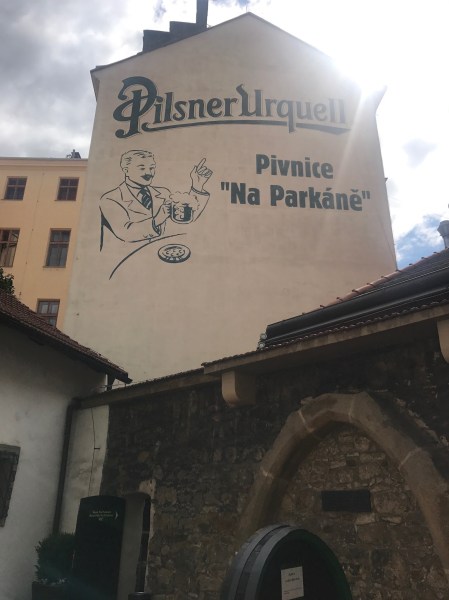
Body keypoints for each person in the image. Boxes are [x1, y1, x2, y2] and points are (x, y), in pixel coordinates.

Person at [100, 150, 212, 249]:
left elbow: (185, 217)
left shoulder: (163, 193)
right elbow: (125, 232)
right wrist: (158, 219)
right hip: (130, 259)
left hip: (160, 256)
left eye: (152, 168)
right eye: (142, 168)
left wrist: (197, 185)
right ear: (126, 170)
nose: (149, 173)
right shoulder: (110, 199)